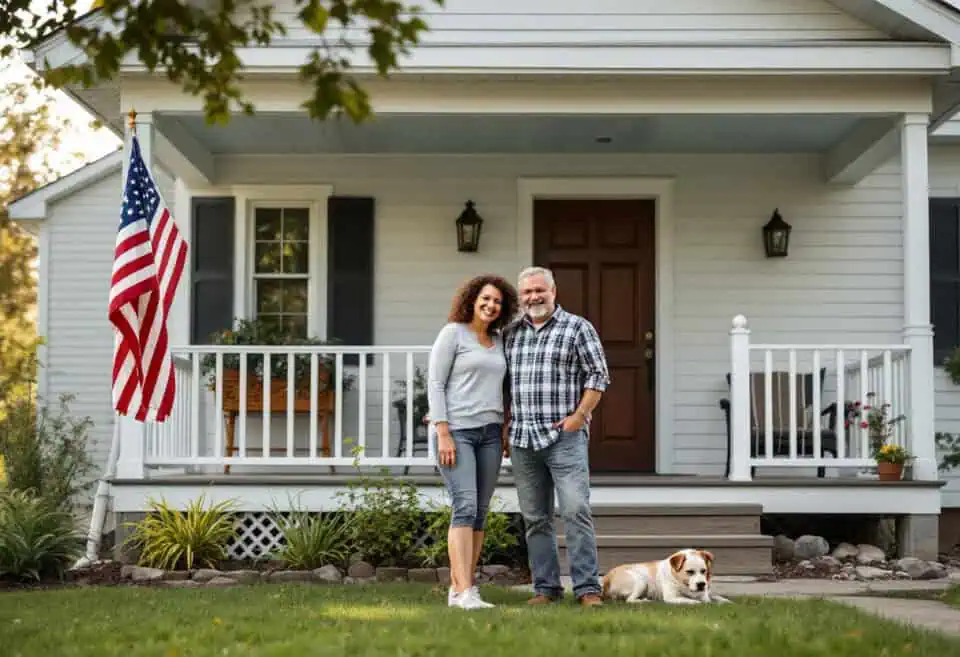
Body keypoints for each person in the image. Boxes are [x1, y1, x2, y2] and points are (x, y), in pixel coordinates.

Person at [503, 266, 610, 607]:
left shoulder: (577, 327)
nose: (533, 297)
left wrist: (579, 416)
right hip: (522, 439)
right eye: (527, 293)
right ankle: (545, 589)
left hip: (564, 437)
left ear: (553, 292)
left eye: (539, 291)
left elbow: (598, 374)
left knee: (576, 510)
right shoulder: (510, 333)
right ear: (520, 298)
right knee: (535, 518)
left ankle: (587, 589)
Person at [427, 273, 519, 610]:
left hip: (490, 434)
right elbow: (435, 385)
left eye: (497, 301)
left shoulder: (499, 341)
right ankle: (464, 590)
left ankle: (462, 588)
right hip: (458, 433)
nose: (491, 305)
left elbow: (504, 390)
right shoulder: (453, 334)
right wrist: (443, 432)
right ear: (472, 300)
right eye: (486, 299)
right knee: (463, 506)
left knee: (479, 513)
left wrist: (506, 427)